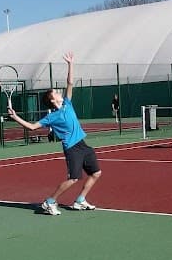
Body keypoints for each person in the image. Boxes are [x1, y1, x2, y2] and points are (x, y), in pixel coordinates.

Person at [7, 52, 101, 215]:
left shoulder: (67, 104)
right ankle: (49, 202)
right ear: (52, 99)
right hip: (72, 148)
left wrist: (70, 64)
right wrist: (15, 117)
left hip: (83, 144)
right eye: (56, 92)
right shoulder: (51, 117)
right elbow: (32, 127)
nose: (59, 92)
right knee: (73, 178)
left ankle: (80, 200)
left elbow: (70, 82)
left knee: (96, 173)